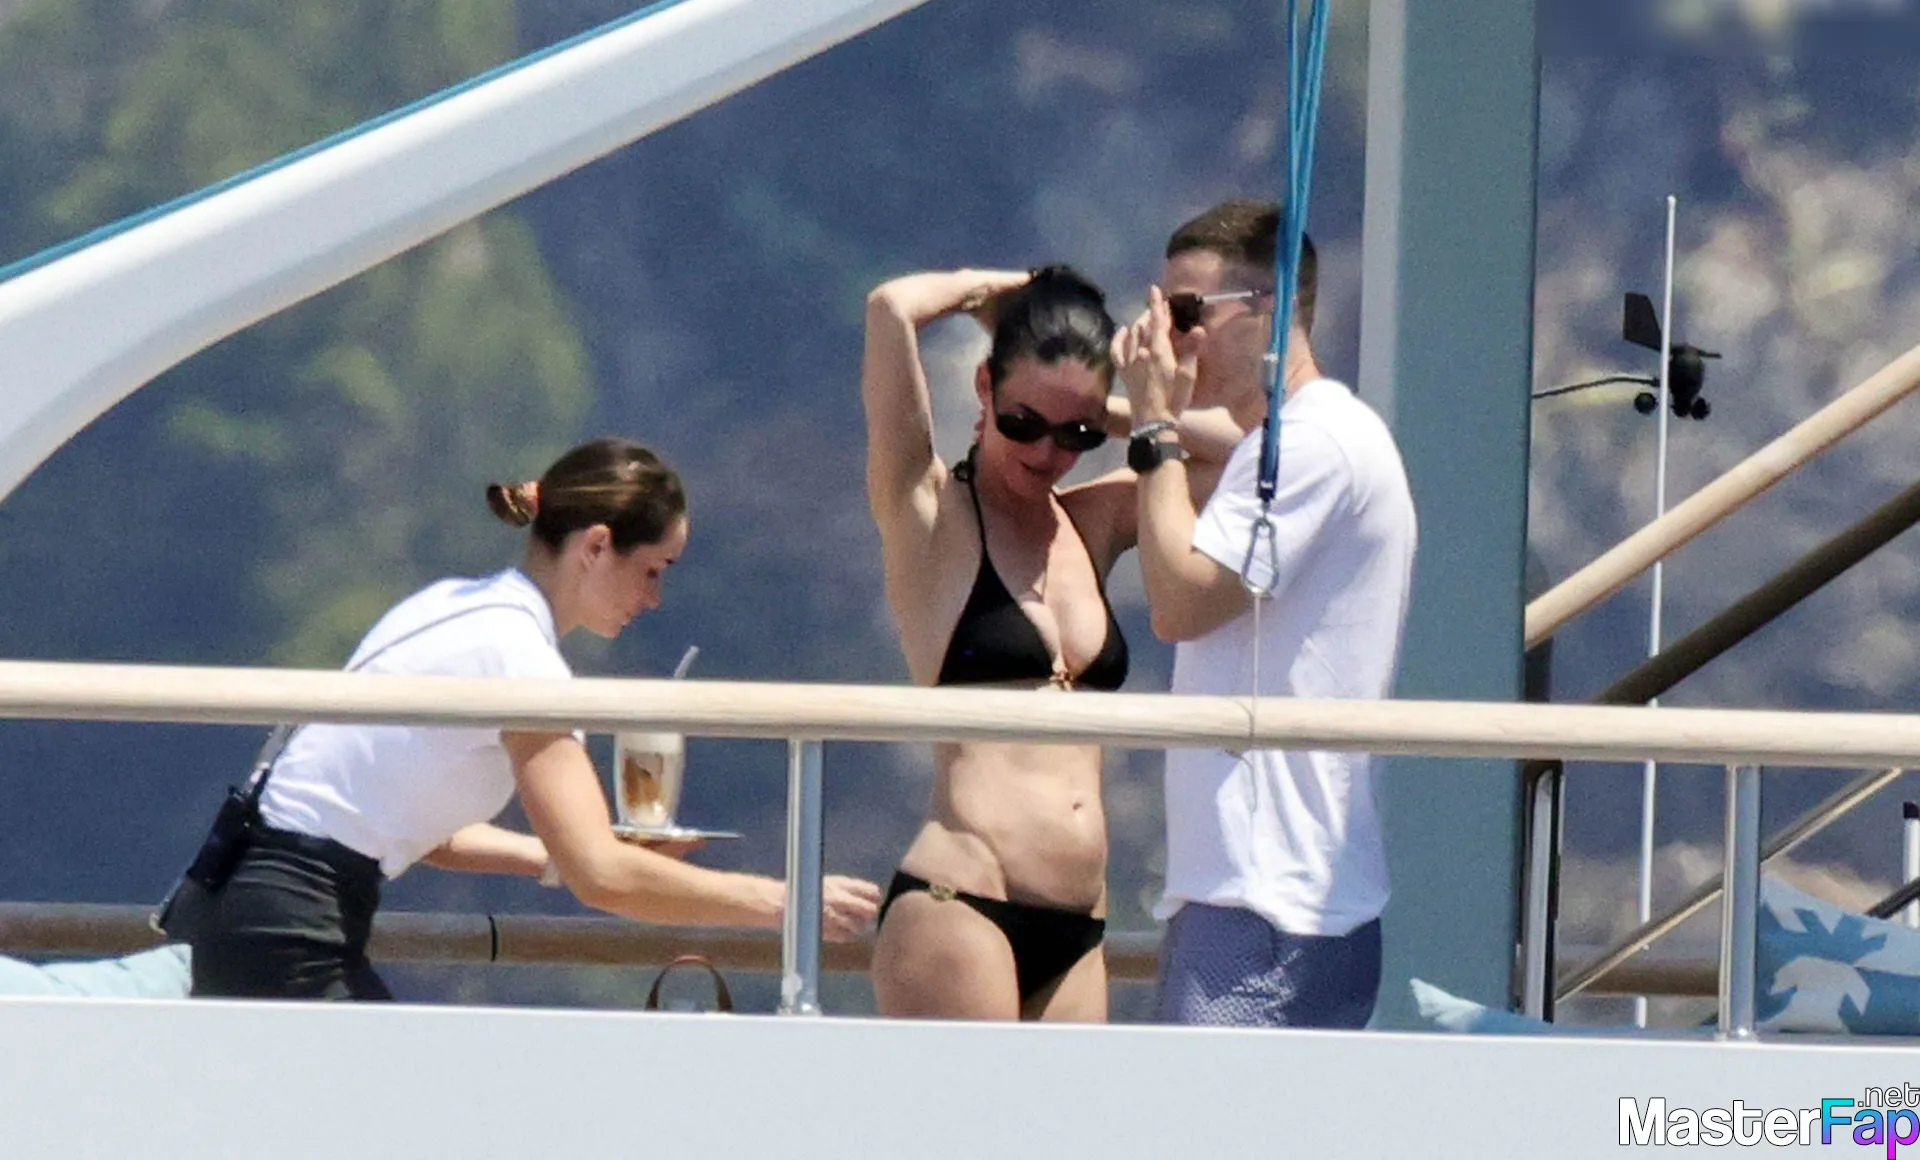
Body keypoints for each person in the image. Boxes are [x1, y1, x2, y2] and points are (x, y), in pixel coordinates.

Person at [180, 436, 881, 1000]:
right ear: (596, 546)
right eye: (654, 570)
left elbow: (420, 825)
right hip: (290, 922)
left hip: (250, 903)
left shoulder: (453, 605)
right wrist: (786, 902)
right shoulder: (522, 661)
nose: (656, 598)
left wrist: (554, 856)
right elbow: (602, 877)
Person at [1115, 199, 1417, 1028]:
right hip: (1270, 891)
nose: (1174, 339)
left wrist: (1152, 426)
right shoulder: (1308, 438)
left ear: (1268, 308)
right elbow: (1225, 447)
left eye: (1188, 313)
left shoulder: (1310, 446)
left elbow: (1180, 603)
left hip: (1264, 899)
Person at [861, 266, 1136, 1022]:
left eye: (1076, 435)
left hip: (1079, 927)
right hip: (963, 899)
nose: (1047, 451)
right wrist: (996, 290)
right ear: (983, 387)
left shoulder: (1094, 522)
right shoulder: (929, 514)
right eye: (1024, 422)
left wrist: (1109, 409)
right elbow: (890, 308)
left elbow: (1240, 464)